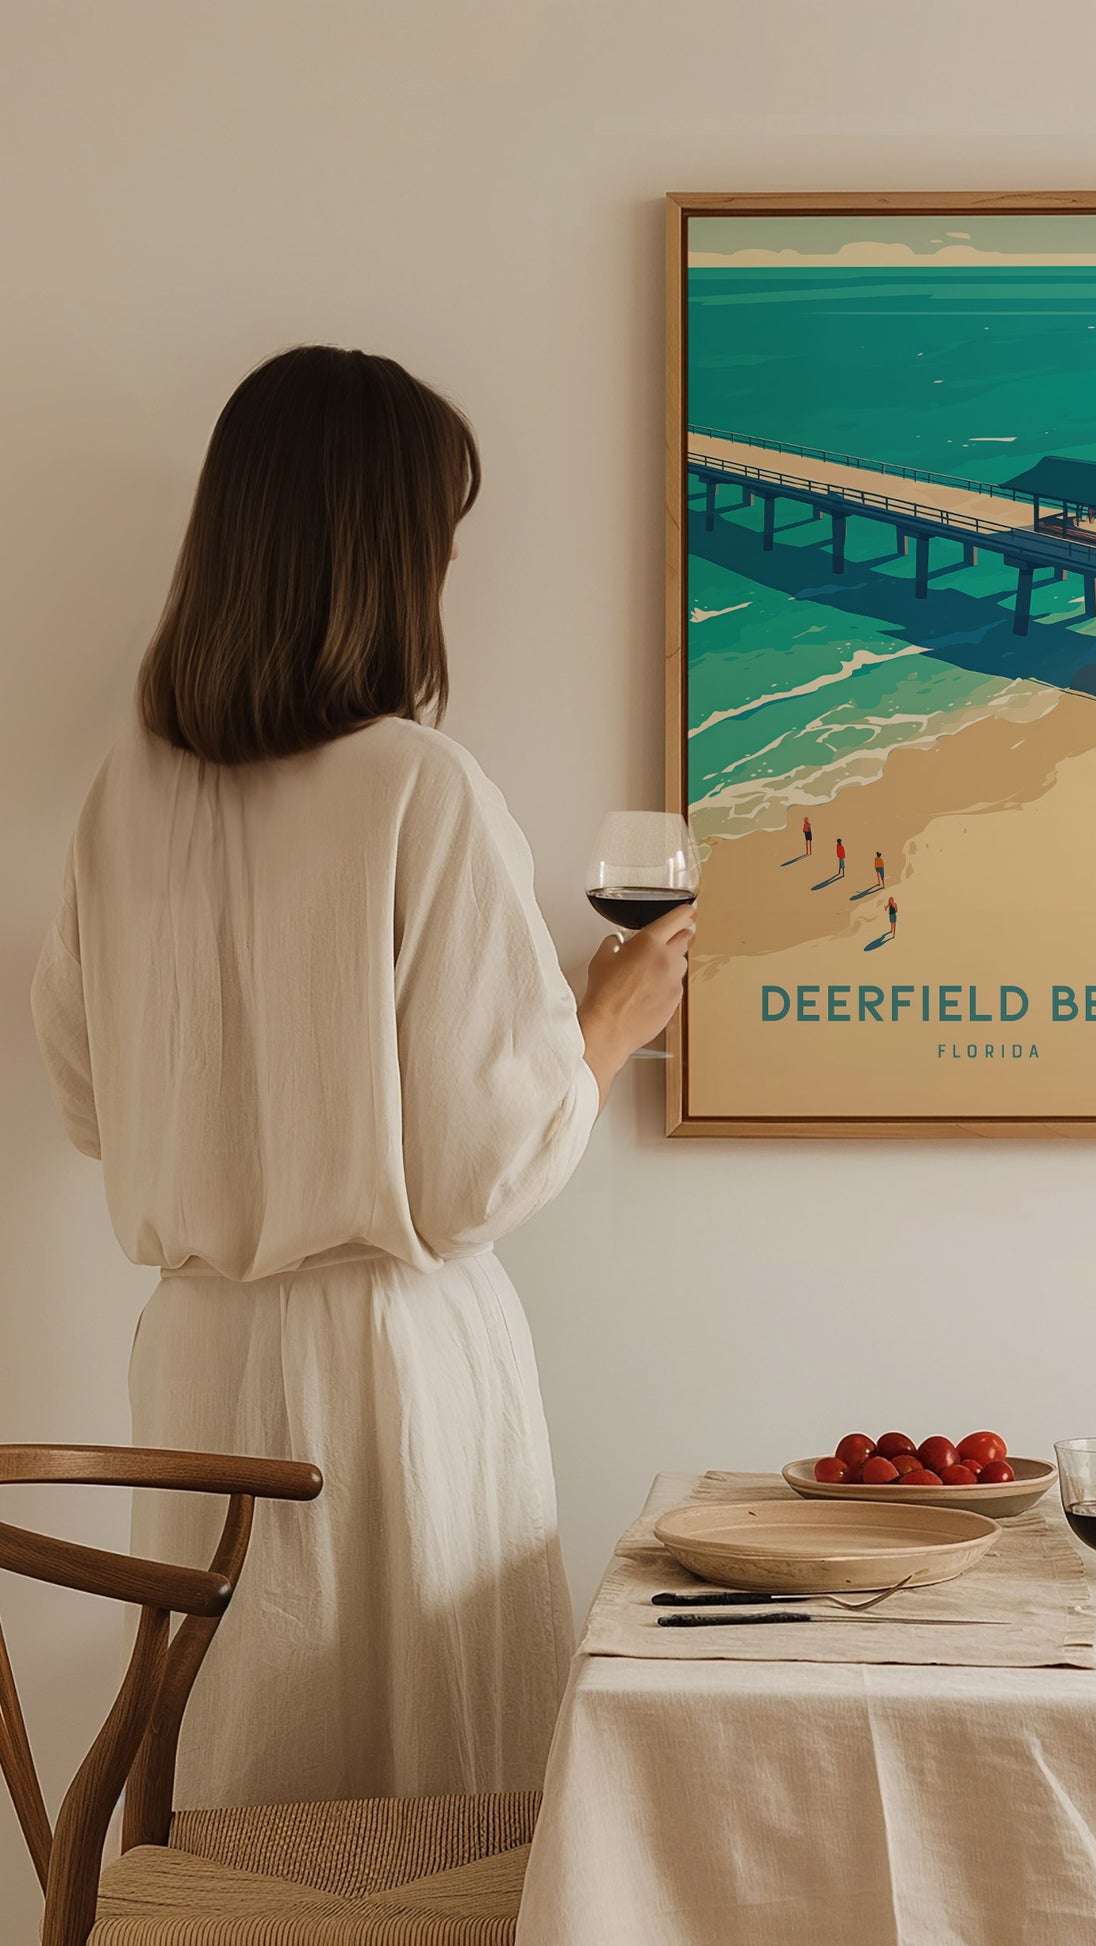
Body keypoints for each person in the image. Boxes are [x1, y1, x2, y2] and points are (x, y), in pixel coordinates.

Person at [30, 346, 693, 1809]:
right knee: (428, 1808)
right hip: (391, 1370)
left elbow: (88, 1099)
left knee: (239, 1789)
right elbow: (475, 1173)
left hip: (195, 1363)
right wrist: (606, 1022)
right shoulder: (418, 786)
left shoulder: (124, 796)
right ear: (387, 553)